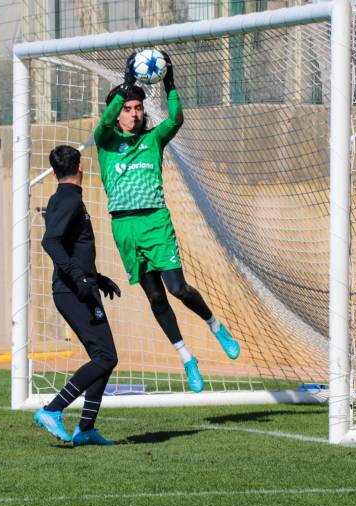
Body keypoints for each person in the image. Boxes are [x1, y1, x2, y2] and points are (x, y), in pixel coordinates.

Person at [94, 51, 240, 393]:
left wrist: (170, 83)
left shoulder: (152, 140)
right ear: (117, 115)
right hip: (125, 228)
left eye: (138, 108)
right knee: (156, 299)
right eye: (127, 109)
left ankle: (214, 324)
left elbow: (175, 119)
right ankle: (186, 357)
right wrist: (125, 88)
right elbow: (104, 123)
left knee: (178, 288)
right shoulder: (106, 142)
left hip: (156, 222)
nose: (134, 113)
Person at [33, 145, 122, 446]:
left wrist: (97, 278)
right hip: (73, 291)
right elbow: (51, 242)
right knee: (106, 356)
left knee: (104, 358)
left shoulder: (64, 199)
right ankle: (52, 409)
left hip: (80, 286)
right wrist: (80, 278)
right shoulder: (69, 200)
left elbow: (71, 248)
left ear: (55, 172)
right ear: (80, 168)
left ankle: (86, 429)